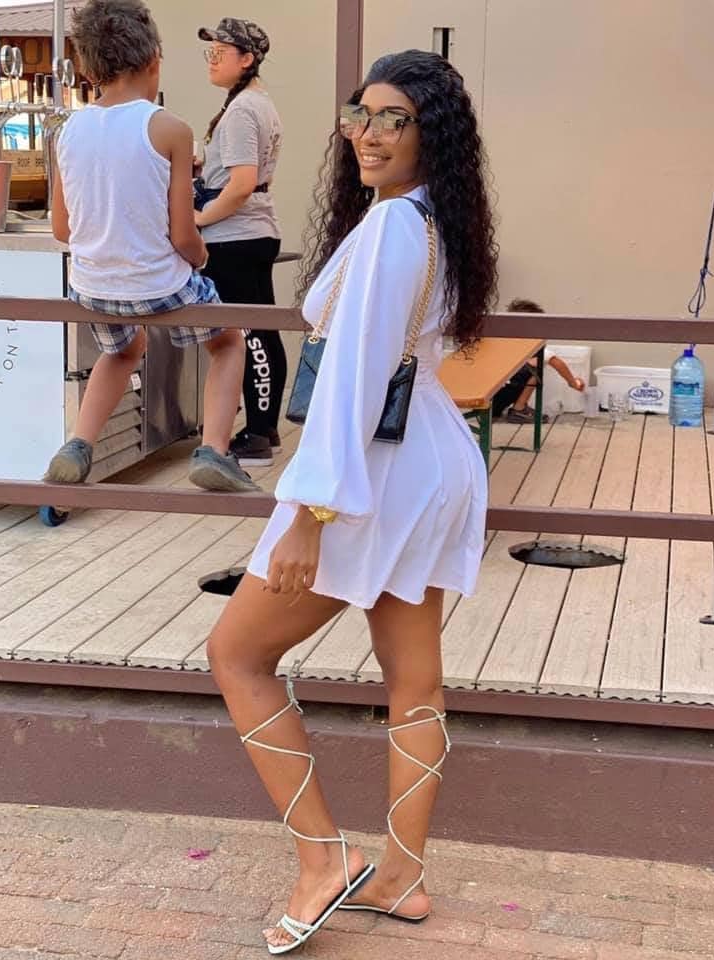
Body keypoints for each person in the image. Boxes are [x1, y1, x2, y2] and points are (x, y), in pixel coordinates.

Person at [206, 49, 499, 954]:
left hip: (375, 472)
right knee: (414, 678)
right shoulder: (434, 219)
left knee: (238, 654)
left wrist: (305, 513)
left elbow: (351, 384)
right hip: (429, 461)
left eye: (392, 119)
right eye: (359, 114)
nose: (367, 134)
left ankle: (322, 858)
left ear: (429, 134)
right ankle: (402, 878)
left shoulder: (393, 229)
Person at [44, 0, 257, 494]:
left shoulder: (68, 130)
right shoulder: (170, 129)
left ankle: (78, 444)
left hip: (93, 285)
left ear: (88, 68)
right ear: (153, 59)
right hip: (160, 284)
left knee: (123, 351)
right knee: (229, 342)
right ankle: (215, 451)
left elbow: (62, 229)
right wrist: (201, 258)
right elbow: (183, 235)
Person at [196, 18, 285, 469]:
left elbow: (242, 184)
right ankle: (264, 428)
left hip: (235, 236)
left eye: (220, 53)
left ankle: (257, 437)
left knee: (245, 334)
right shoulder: (254, 103)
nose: (211, 61)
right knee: (260, 328)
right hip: (251, 232)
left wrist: (199, 218)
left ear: (247, 59)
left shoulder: (242, 111)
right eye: (209, 53)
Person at [492, 298, 585, 423]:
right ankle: (519, 409)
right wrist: (573, 383)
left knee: (529, 367)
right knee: (537, 367)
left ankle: (518, 408)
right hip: (496, 400)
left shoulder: (505, 340)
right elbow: (556, 362)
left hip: (490, 399)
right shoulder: (529, 346)